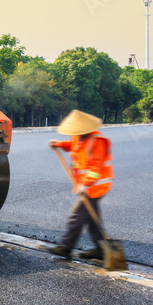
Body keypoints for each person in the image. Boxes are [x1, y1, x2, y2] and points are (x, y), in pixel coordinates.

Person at [47, 110, 114, 260]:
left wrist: (85, 185)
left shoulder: (98, 141)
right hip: (87, 185)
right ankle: (101, 249)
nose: (76, 133)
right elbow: (73, 146)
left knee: (76, 216)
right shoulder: (79, 137)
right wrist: (59, 144)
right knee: (92, 219)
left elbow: (95, 170)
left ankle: (66, 247)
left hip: (96, 186)